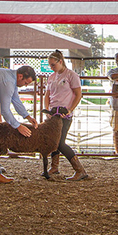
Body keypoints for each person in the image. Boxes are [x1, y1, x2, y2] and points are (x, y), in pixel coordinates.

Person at [44, 49, 88, 181]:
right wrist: (47, 109)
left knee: (60, 142)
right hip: (53, 112)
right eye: (50, 65)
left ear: (60, 62)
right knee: (53, 140)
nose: (52, 67)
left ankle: (80, 170)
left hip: (64, 113)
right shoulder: (51, 77)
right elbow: (47, 94)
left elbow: (78, 94)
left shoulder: (71, 75)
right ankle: (54, 166)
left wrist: (70, 109)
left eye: (53, 65)